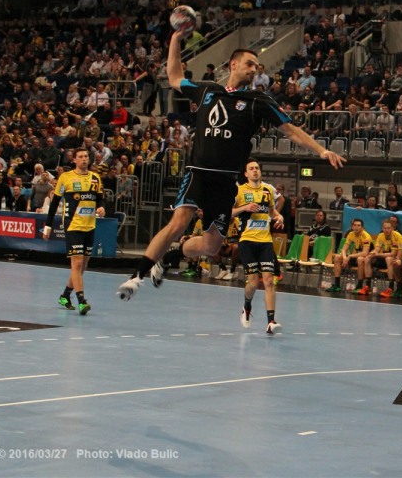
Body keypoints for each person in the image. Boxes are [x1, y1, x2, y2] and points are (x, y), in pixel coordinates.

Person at [117, 31, 346, 301]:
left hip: (226, 182)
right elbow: (175, 77)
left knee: (211, 246)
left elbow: (290, 130)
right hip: (198, 173)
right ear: (233, 64)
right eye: (249, 64)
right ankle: (136, 277)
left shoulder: (258, 101)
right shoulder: (207, 90)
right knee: (178, 223)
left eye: (257, 67)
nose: (254, 70)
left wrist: (321, 150)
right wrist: (175, 40)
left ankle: (169, 257)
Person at [42, 148, 105, 315]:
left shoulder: (95, 178)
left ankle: (65, 296)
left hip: (89, 226)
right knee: (76, 264)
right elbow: (55, 202)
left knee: (83, 265)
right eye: (81, 157)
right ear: (75, 160)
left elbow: (100, 199)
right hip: (73, 226)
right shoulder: (66, 177)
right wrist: (48, 226)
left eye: (86, 156)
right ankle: (82, 301)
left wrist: (101, 208)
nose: (84, 159)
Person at [232, 160, 284, 334]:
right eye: (251, 169)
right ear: (246, 174)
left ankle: (271, 322)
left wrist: (279, 217)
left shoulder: (267, 190)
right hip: (247, 241)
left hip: (265, 241)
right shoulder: (240, 191)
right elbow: (228, 212)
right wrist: (245, 207)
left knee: (268, 280)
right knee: (253, 283)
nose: (255, 171)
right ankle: (247, 306)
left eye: (257, 168)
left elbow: (272, 211)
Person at [324, 218, 372, 293]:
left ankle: (359, 286)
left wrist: (349, 256)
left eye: (358, 225)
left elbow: (365, 253)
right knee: (337, 257)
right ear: (352, 226)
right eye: (354, 225)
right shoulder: (351, 234)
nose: (356, 227)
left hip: (368, 259)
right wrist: (344, 258)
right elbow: (344, 249)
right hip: (356, 256)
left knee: (360, 259)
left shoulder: (366, 236)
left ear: (362, 227)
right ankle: (337, 285)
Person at [362, 219, 401, 296]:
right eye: (385, 228)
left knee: (388, 259)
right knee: (367, 258)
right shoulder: (381, 236)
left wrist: (377, 254)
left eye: (388, 228)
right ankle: (368, 286)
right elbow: (377, 249)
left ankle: (390, 288)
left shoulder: (397, 236)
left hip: (395, 259)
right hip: (382, 257)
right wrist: (372, 253)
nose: (386, 230)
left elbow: (393, 254)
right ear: (382, 228)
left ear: (392, 228)